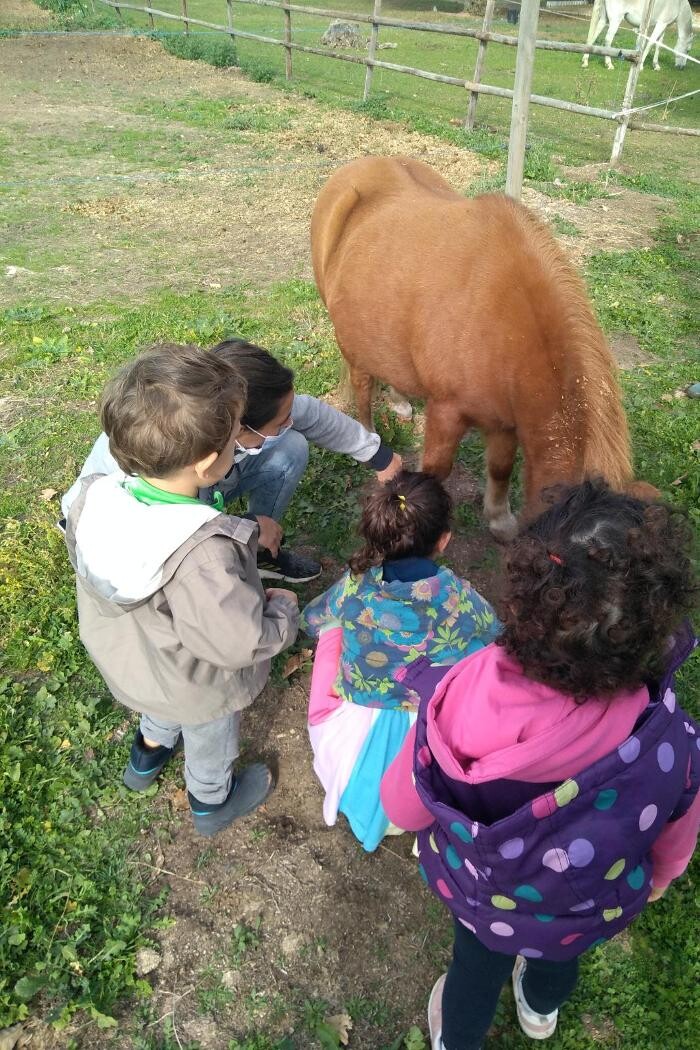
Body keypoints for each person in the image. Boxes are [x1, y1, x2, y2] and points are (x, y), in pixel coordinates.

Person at [380, 479, 699, 1049]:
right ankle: (539, 1009)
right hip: (582, 907)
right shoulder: (663, 725)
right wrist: (663, 877)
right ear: (649, 628)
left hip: (487, 901)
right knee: (558, 960)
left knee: (474, 973)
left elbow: (403, 807)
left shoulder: (463, 695)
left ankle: (457, 1041)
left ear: (522, 592)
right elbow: (681, 816)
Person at [63, 344, 300, 837]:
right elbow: (236, 642)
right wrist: (281, 616)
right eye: (236, 441)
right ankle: (211, 800)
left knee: (162, 698)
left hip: (139, 659)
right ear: (209, 463)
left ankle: (146, 757)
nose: (239, 447)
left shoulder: (91, 498)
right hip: (193, 684)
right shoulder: (201, 555)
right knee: (210, 729)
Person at [61, 338, 402, 583]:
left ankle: (260, 553)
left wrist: (379, 457)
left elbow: (309, 413)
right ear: (235, 429)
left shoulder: (214, 409)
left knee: (291, 447)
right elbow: (182, 538)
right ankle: (243, 561)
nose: (291, 421)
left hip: (186, 499)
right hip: (143, 541)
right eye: (279, 421)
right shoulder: (161, 474)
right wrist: (244, 532)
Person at [302, 471, 500, 852]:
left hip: (352, 739)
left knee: (332, 628)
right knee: (479, 651)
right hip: (428, 724)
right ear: (443, 541)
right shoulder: (458, 597)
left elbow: (316, 617)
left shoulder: (356, 583)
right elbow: (493, 630)